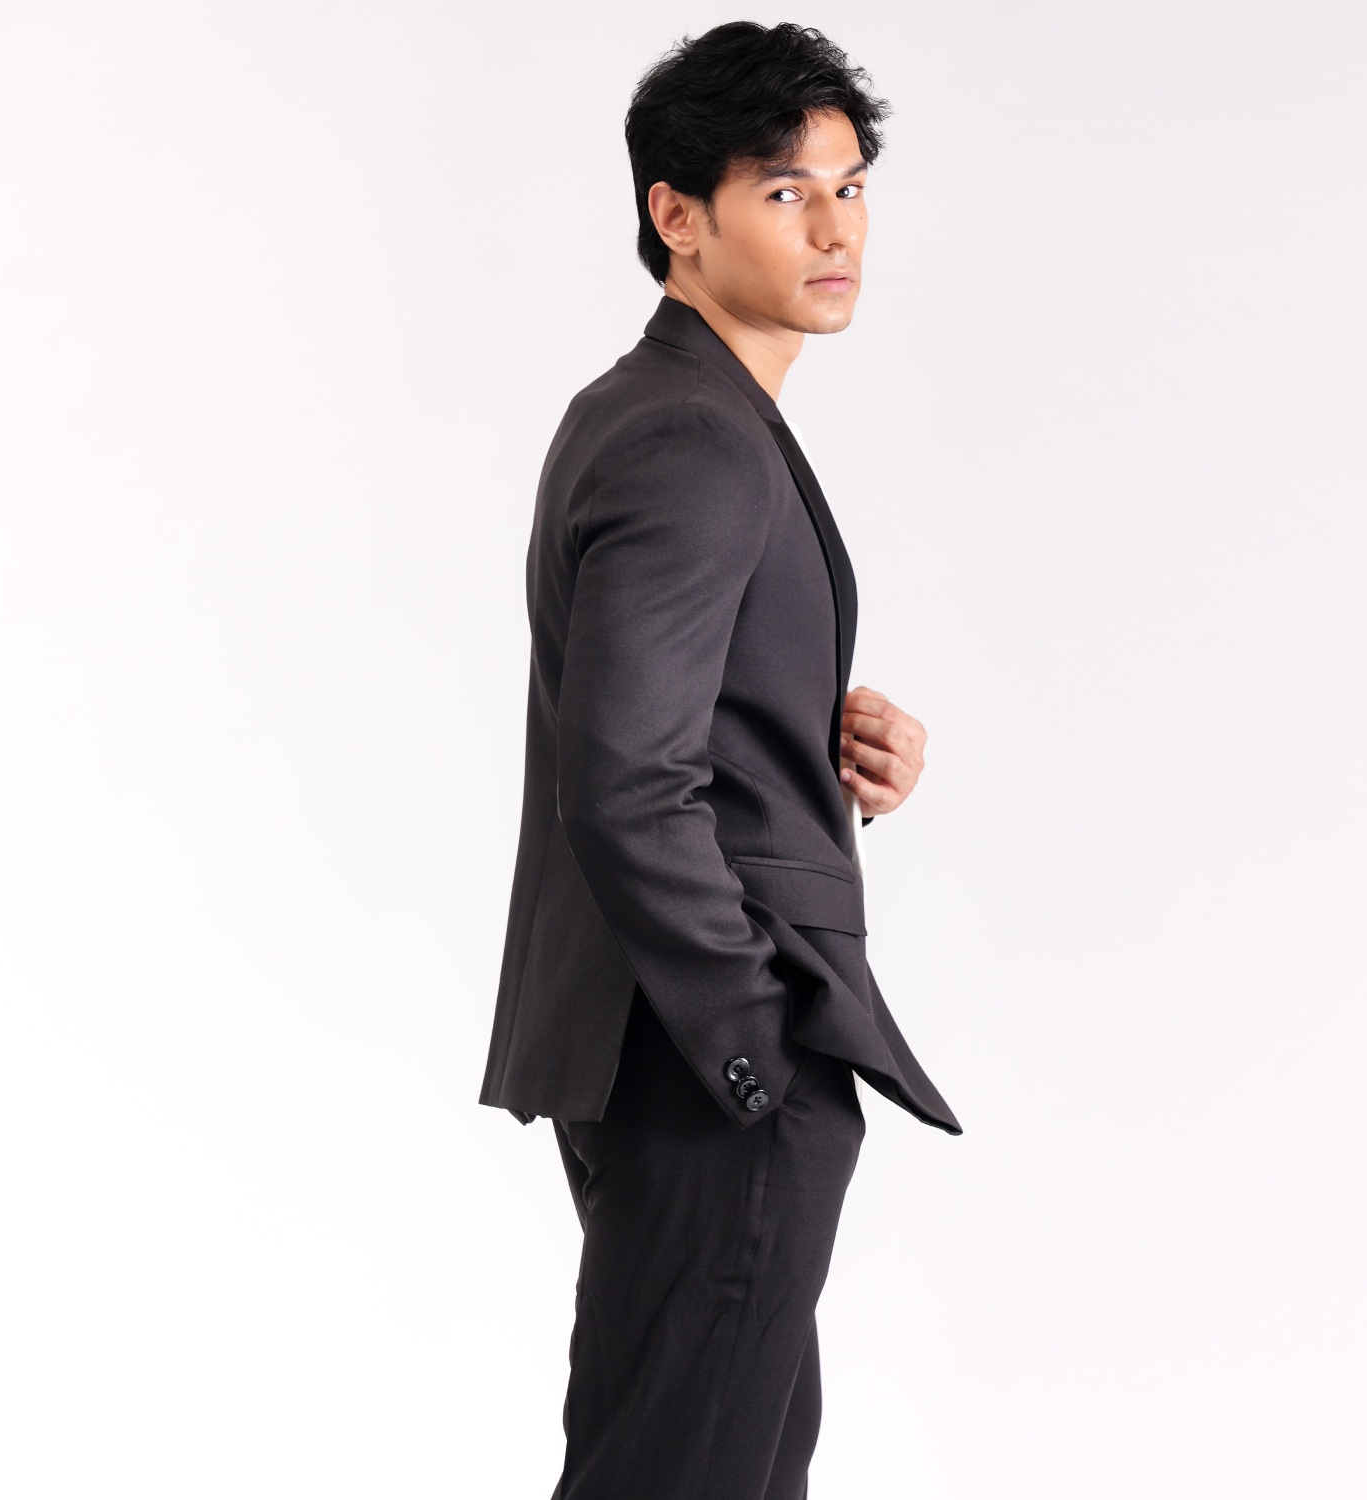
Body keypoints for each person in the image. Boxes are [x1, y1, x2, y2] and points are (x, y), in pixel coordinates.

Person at [476, 21, 962, 1499]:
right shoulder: (690, 436)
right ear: (676, 216)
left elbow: (656, 723)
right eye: (785, 191)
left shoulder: (666, 415)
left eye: (851, 187)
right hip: (704, 1059)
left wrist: (819, 735)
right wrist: (755, 1048)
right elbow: (626, 782)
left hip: (666, 1052)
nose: (836, 229)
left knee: (731, 1464)